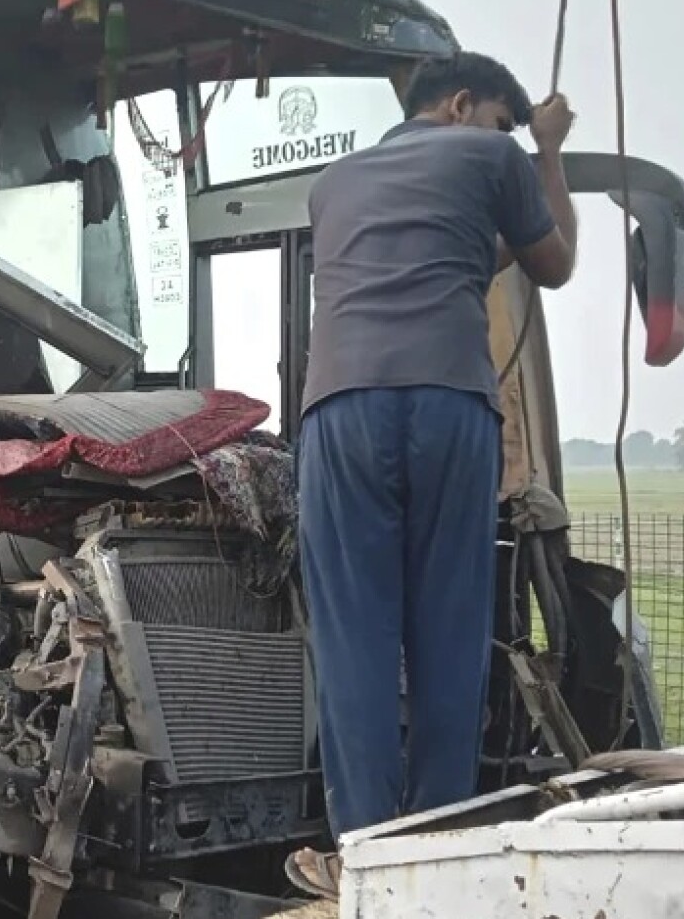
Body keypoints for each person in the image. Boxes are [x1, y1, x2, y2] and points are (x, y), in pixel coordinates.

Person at [284, 52, 579, 899]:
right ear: (461, 105)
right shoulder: (491, 158)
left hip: (337, 409)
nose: (503, 139)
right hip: (449, 404)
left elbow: (451, 257)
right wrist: (548, 153)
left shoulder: (332, 184)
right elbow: (550, 264)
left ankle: (365, 856)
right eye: (499, 119)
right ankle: (441, 858)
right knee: (449, 631)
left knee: (356, 646)